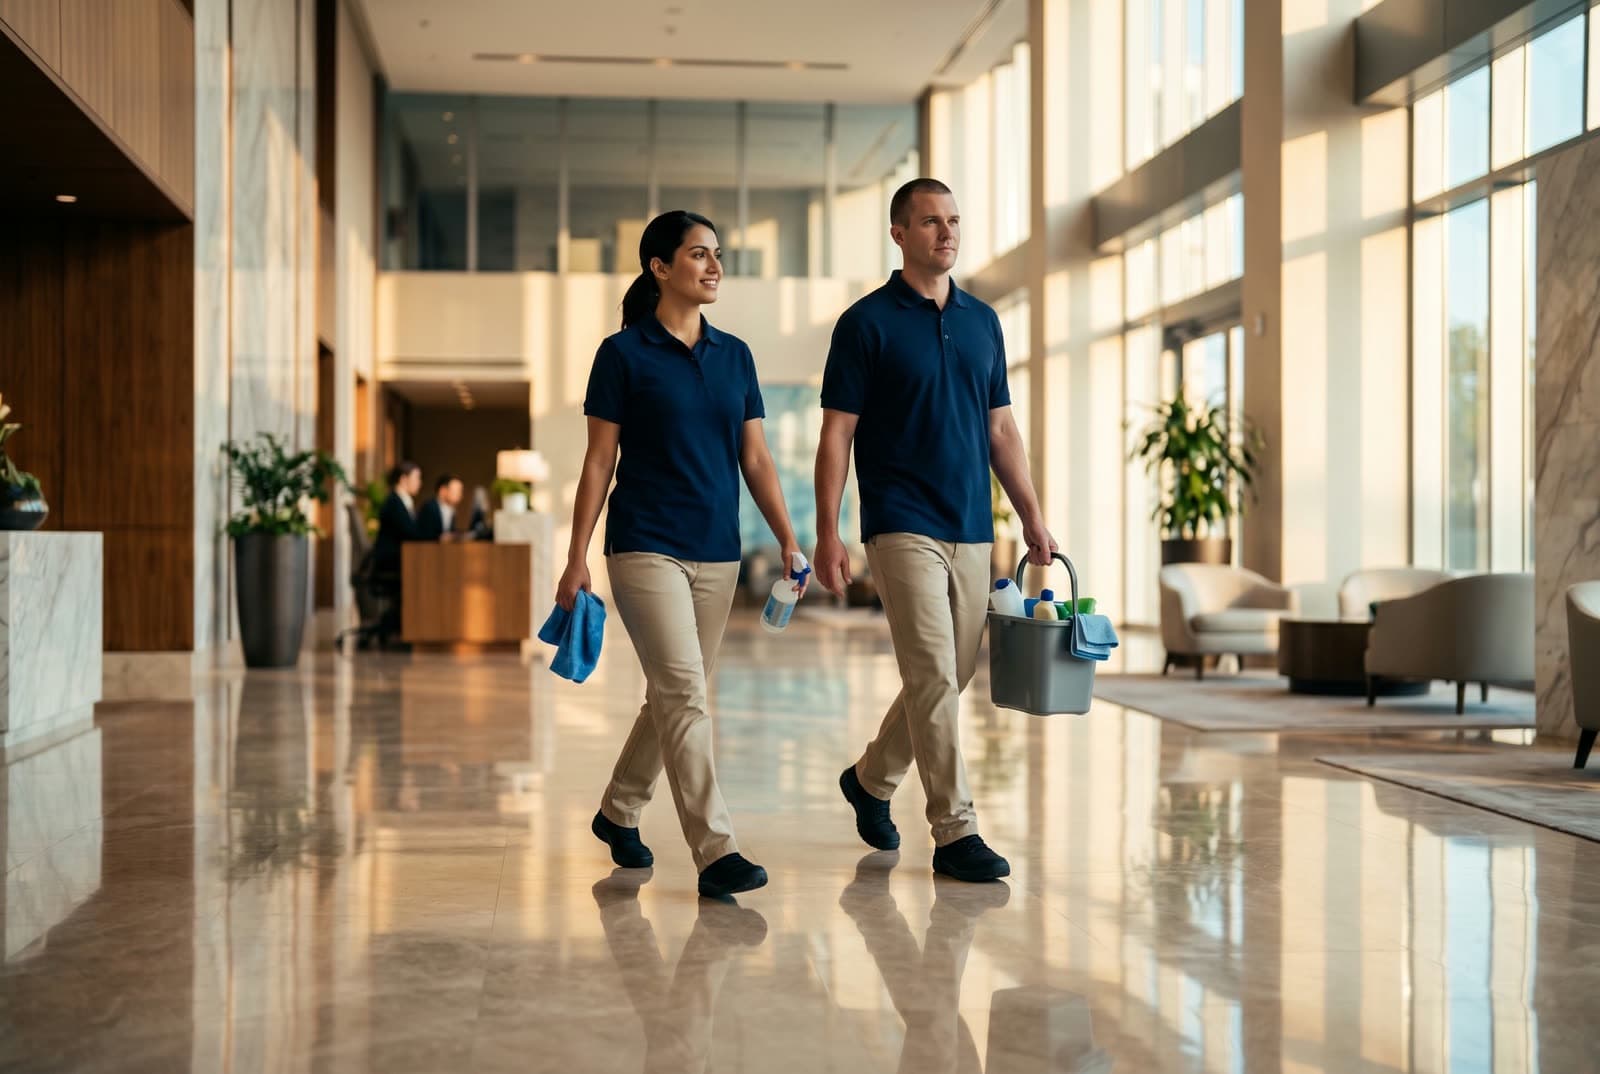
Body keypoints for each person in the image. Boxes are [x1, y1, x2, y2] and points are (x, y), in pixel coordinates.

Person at [558, 209, 808, 898]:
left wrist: (788, 537)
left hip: (717, 552)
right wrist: (577, 556)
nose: (714, 266)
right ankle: (716, 849)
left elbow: (754, 457)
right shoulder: (623, 354)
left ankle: (618, 812)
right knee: (686, 693)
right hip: (644, 546)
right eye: (698, 254)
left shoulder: (736, 356)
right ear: (659, 268)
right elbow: (598, 460)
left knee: (673, 696)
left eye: (718, 254)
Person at [813, 178, 1056, 883]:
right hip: (899, 521)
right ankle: (955, 831)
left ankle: (869, 780)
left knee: (954, 671)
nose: (946, 233)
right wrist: (828, 533)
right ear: (899, 234)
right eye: (929, 222)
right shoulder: (865, 324)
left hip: (971, 524)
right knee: (930, 671)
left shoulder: (983, 321)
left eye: (953, 220)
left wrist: (1032, 516)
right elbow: (837, 435)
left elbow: (1001, 429)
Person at [372, 461, 424, 641]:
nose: (420, 482)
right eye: (417, 478)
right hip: (391, 562)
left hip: (396, 559)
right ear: (403, 479)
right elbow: (410, 533)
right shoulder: (395, 503)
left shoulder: (401, 501)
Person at [417, 473, 464, 541]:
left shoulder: (451, 510)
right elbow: (424, 535)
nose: (460, 495)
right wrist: (440, 537)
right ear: (443, 490)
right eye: (457, 491)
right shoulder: (429, 508)